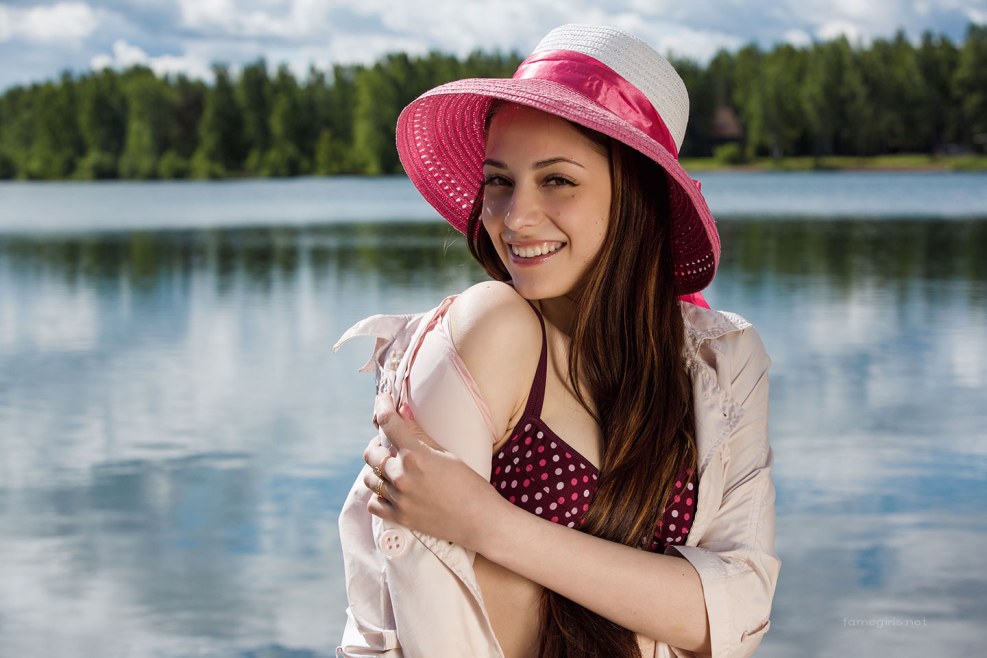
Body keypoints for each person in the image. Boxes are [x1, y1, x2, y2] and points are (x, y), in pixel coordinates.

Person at [334, 23, 779, 658]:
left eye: (557, 180)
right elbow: (420, 617)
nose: (515, 218)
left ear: (634, 196)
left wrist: (487, 524)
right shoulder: (487, 332)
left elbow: (737, 614)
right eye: (499, 180)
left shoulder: (720, 361)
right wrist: (661, 602)